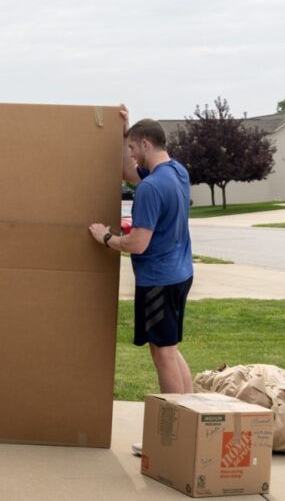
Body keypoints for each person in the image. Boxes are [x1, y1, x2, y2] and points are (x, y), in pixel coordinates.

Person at [89, 104, 194, 396]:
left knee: (162, 355)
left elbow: (137, 243)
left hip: (159, 280)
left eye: (134, 147)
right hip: (180, 274)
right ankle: (192, 422)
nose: (132, 153)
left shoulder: (149, 189)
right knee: (169, 349)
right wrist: (126, 132)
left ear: (146, 144)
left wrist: (106, 237)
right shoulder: (177, 172)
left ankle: (176, 436)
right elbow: (127, 170)